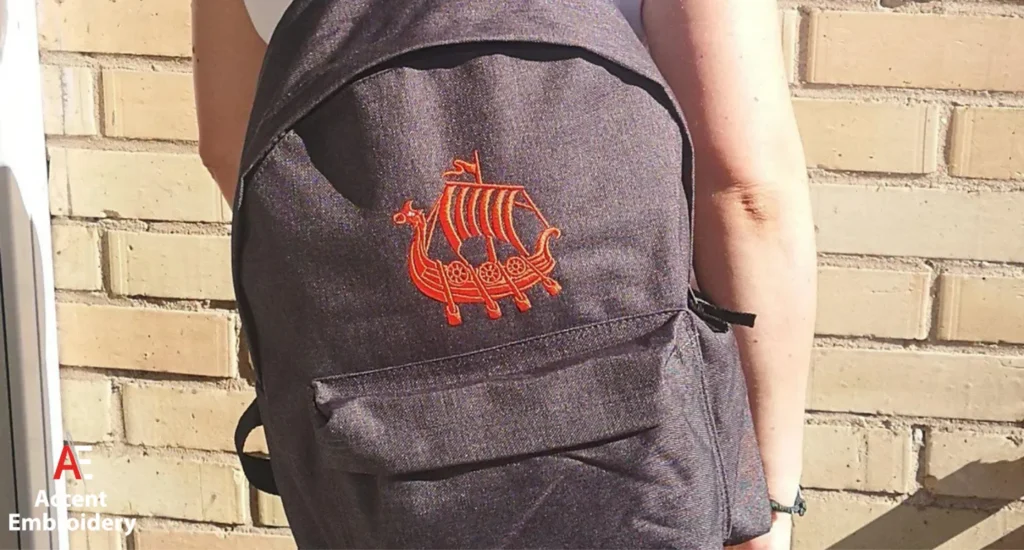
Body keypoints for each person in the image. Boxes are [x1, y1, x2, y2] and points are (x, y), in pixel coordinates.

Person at [192, 1, 816, 548]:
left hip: (383, 482)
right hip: (643, 473)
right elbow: (746, 193)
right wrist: (768, 498)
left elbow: (230, 149)